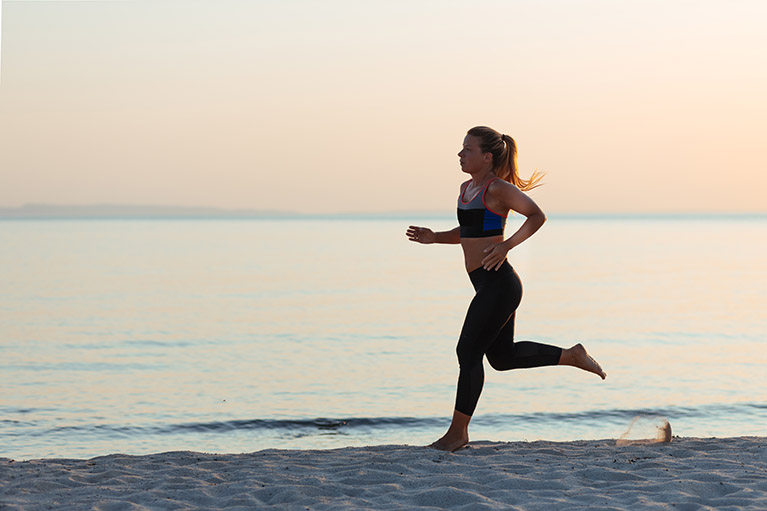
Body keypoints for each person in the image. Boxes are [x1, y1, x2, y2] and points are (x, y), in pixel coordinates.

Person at [406, 126, 606, 452]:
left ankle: (458, 433)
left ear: (487, 157)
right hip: (486, 284)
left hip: (500, 284)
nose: (460, 154)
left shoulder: (497, 188)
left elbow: (536, 215)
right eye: (461, 148)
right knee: (501, 357)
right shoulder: (467, 188)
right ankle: (571, 355)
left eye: (467, 149)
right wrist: (434, 237)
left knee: (467, 352)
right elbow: (468, 232)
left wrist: (507, 246)